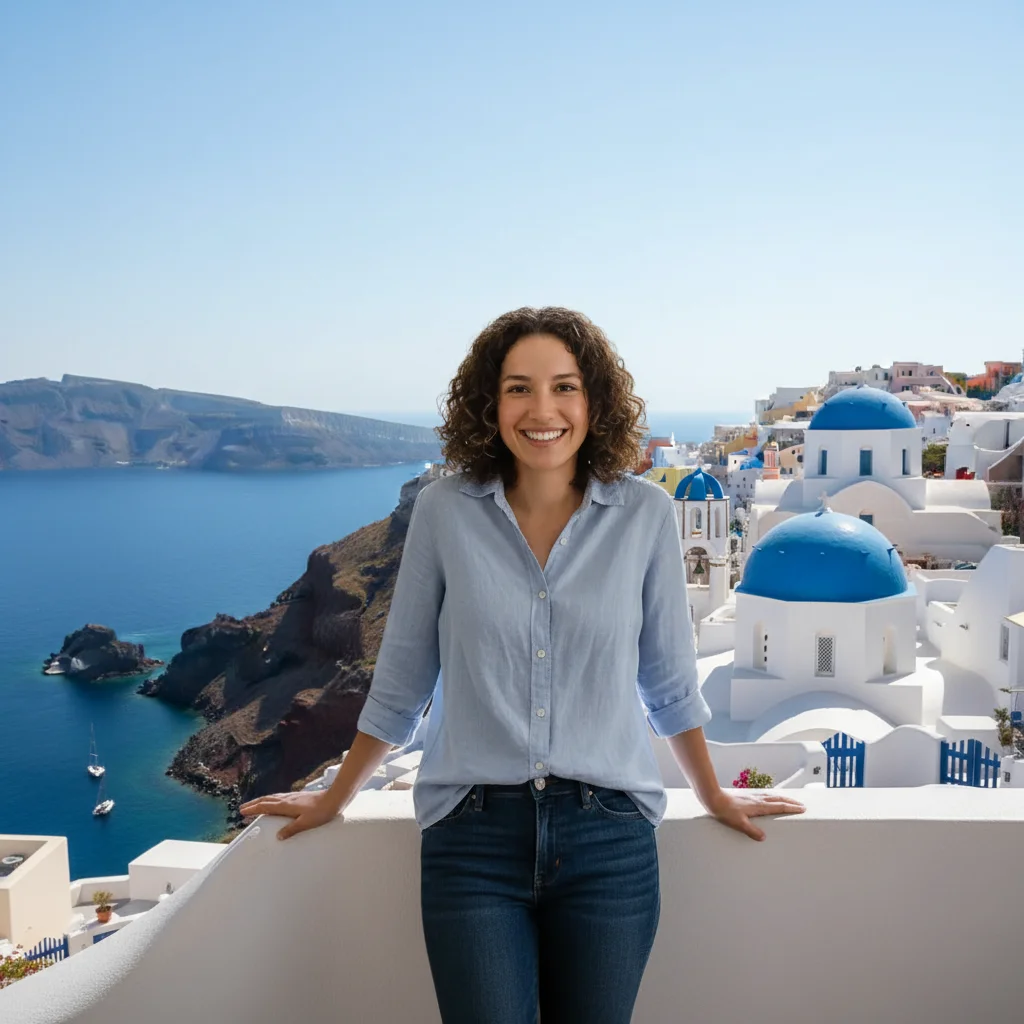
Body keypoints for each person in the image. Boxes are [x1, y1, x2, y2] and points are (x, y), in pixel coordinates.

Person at [239, 307, 805, 1023]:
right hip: (471, 841)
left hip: (609, 839)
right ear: (489, 403)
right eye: (518, 389)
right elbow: (404, 678)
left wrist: (715, 793)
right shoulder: (445, 511)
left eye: (564, 387)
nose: (543, 410)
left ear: (594, 401)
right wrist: (334, 796)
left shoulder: (646, 516)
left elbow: (667, 680)